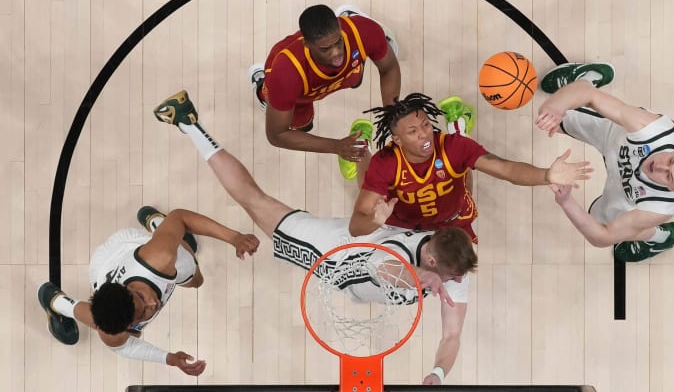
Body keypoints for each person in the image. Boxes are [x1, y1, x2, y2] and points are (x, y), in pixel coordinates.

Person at [153, 89, 476, 385]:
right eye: (449, 276)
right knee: (254, 201)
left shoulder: (449, 261)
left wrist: (438, 373)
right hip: (334, 251)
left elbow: (451, 336)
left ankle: (370, 142)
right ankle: (188, 123)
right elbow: (385, 268)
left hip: (376, 239)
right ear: (432, 261)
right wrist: (423, 277)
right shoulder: (394, 258)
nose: (453, 281)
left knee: (438, 203)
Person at [38, 206, 260, 376]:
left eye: (142, 298)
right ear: (126, 324)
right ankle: (55, 301)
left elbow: (180, 217)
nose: (154, 305)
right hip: (103, 270)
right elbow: (128, 347)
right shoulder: (110, 331)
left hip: (124, 246)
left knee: (194, 275)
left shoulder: (158, 258)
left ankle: (157, 225)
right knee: (112, 325)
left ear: (127, 289)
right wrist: (169, 358)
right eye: (143, 314)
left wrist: (235, 238)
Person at [348, 92, 594, 243]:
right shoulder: (387, 161)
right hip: (400, 223)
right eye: (413, 132)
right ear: (397, 140)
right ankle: (361, 147)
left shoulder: (453, 148)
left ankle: (459, 128)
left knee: (461, 171)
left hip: (453, 219)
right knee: (367, 187)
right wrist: (375, 222)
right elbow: (356, 225)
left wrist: (546, 175)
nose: (425, 135)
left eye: (425, 125)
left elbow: (506, 169)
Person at [534, 62, 674, 261]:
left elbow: (602, 238)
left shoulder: (661, 206)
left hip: (624, 194)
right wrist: (555, 106)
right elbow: (589, 96)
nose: (660, 166)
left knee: (603, 223)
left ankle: (662, 237)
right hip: (612, 136)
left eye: (668, 175)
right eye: (671, 160)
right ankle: (589, 76)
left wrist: (566, 202)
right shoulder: (653, 130)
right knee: (550, 114)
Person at [247, 4, 401, 179]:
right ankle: (262, 85)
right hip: (299, 95)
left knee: (355, 78)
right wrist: (335, 146)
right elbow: (277, 135)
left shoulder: (362, 30)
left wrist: (392, 115)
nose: (336, 53)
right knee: (303, 126)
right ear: (307, 44)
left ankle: (350, 19)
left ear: (340, 29)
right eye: (325, 49)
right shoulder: (285, 72)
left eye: (338, 42)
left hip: (342, 70)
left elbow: (389, 68)